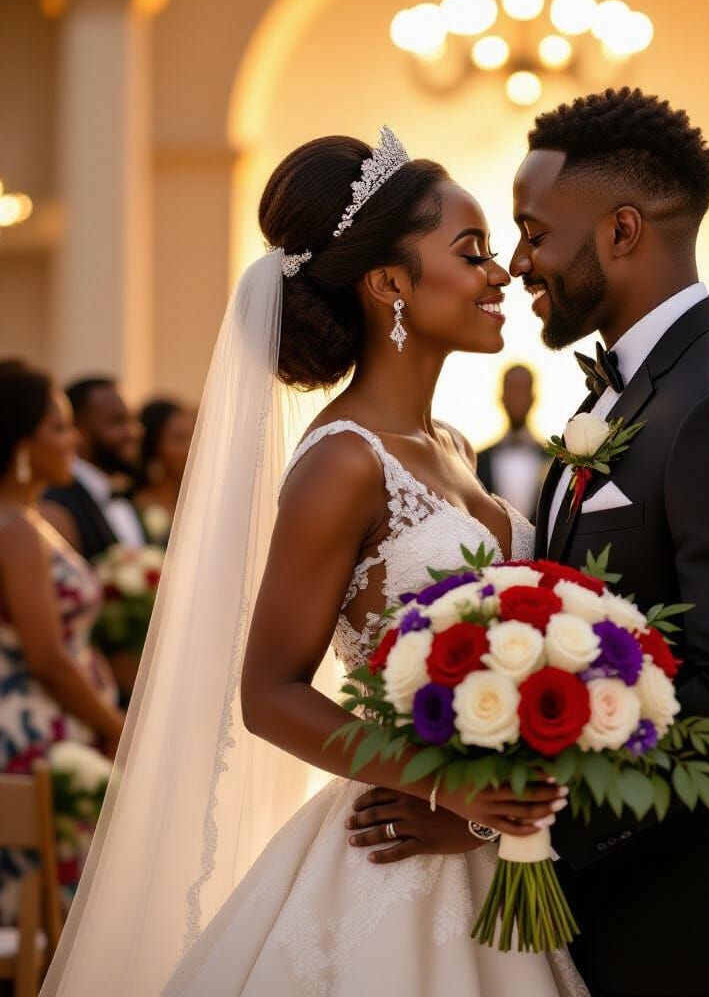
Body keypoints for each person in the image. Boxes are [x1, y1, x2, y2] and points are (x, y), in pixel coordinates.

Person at [40, 132, 582, 997]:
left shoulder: (447, 447)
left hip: (483, 843)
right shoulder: (344, 461)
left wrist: (492, 807)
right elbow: (271, 695)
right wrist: (453, 790)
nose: (499, 274)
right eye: (471, 252)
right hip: (396, 856)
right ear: (391, 284)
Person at [353, 88, 709, 996]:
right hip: (616, 912)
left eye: (533, 233)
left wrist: (496, 817)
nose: (515, 263)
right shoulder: (615, 398)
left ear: (622, 231)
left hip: (700, 924)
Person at [0, 361, 123, 921]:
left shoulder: (27, 520)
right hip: (36, 738)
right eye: (59, 427)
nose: (74, 439)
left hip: (54, 731)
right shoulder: (17, 530)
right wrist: (116, 728)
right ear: (21, 440)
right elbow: (48, 658)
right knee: (54, 923)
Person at [43, 377, 145, 558]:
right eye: (117, 421)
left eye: (132, 419)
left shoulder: (127, 496)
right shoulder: (56, 501)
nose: (134, 432)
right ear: (79, 429)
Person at [476, 364, 548, 521]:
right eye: (512, 388)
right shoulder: (478, 460)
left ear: (533, 398)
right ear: (501, 398)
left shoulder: (554, 460)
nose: (517, 396)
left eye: (523, 389)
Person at [132, 398, 196, 545]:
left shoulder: (203, 504)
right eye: (180, 439)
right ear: (154, 445)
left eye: (194, 437)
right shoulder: (132, 506)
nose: (192, 448)